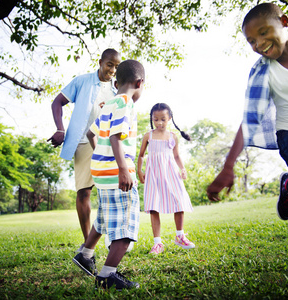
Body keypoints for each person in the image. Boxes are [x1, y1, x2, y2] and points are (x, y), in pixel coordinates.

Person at [206, 3, 288, 299]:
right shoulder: (262, 73)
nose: (259, 44)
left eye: (264, 33)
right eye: (252, 40)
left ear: (284, 21)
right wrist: (228, 166)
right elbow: (249, 120)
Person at [72, 59, 145, 290]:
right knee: (126, 224)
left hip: (102, 173)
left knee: (104, 218)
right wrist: (123, 168)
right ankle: (107, 275)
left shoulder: (110, 103)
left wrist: (101, 156)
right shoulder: (126, 103)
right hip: (118, 173)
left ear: (116, 81)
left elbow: (92, 134)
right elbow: (115, 136)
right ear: (139, 83)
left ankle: (85, 254)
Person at [47, 49, 121, 251]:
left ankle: (112, 237)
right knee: (84, 193)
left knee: (111, 191)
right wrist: (60, 129)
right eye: (109, 65)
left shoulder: (117, 89)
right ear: (100, 62)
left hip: (107, 143)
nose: (112, 70)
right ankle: (88, 243)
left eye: (116, 66)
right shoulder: (82, 81)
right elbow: (57, 102)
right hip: (82, 142)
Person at [138, 103, 195, 255]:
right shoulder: (148, 136)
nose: (159, 123)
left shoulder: (173, 136)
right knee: (153, 206)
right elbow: (141, 155)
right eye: (156, 119)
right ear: (152, 119)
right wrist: (139, 170)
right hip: (153, 174)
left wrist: (183, 169)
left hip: (170, 173)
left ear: (169, 118)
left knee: (179, 200)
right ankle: (158, 243)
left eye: (163, 119)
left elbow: (176, 156)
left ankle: (180, 235)